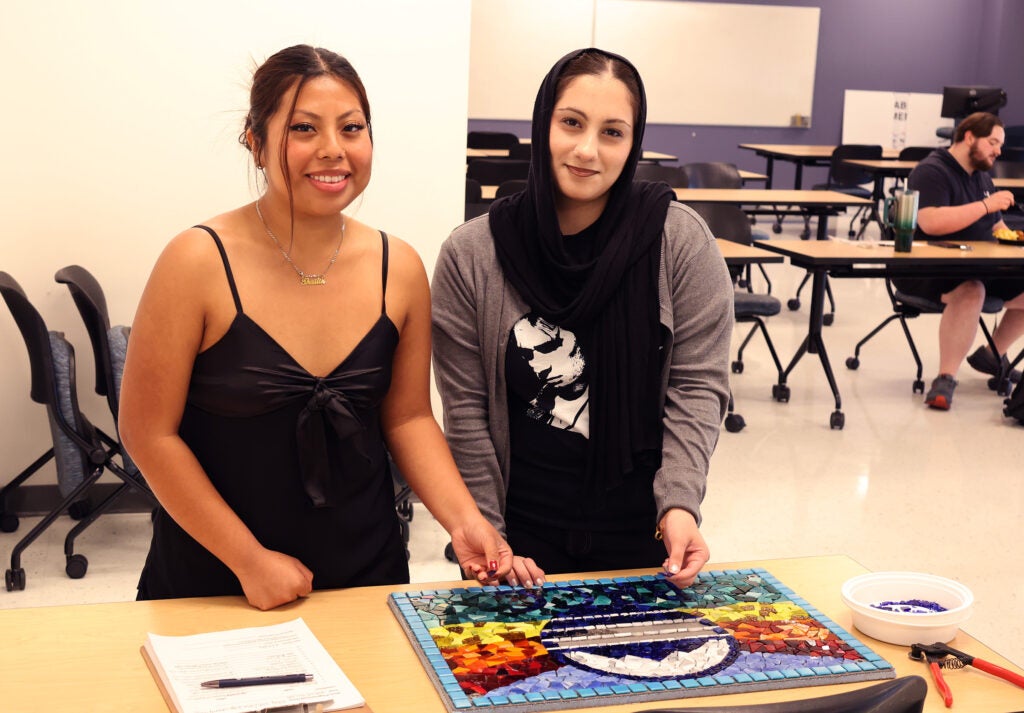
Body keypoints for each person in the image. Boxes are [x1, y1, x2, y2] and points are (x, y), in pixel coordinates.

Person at [118, 44, 512, 610]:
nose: (333, 149)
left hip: (368, 571)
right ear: (255, 142)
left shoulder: (397, 267)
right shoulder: (196, 261)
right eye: (304, 128)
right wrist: (249, 561)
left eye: (352, 128)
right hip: (214, 577)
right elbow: (148, 433)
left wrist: (464, 520)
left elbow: (407, 417)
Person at [431, 48, 733, 590]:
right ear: (543, 123)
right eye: (571, 122)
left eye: (612, 132)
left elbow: (696, 388)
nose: (587, 149)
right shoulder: (472, 255)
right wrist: (490, 534)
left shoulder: (680, 242)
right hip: (518, 548)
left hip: (647, 536)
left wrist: (680, 506)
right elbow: (467, 412)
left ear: (634, 143)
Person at [893, 112, 1024, 410]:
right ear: (969, 137)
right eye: (993, 143)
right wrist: (985, 205)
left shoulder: (982, 176)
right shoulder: (931, 171)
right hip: (928, 268)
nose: (998, 151)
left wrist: (1013, 239)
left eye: (1000, 145)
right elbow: (930, 222)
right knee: (972, 290)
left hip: (978, 264)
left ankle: (992, 355)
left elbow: (997, 226)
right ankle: (946, 378)